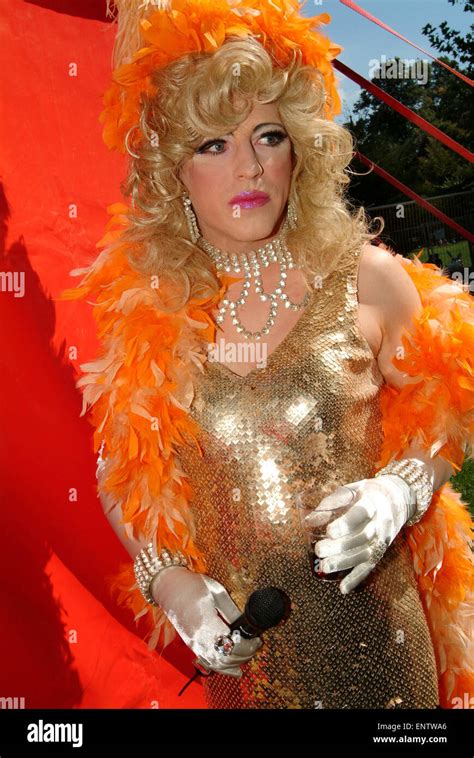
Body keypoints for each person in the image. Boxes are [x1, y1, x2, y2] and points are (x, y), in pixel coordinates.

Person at [60, 0, 473, 709]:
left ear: (300, 147)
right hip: (244, 677)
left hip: (384, 667)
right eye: (212, 144)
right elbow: (121, 472)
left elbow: (453, 399)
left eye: (268, 135)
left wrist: (401, 488)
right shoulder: (154, 318)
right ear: (172, 172)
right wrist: (172, 583)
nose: (248, 165)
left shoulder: (366, 279)